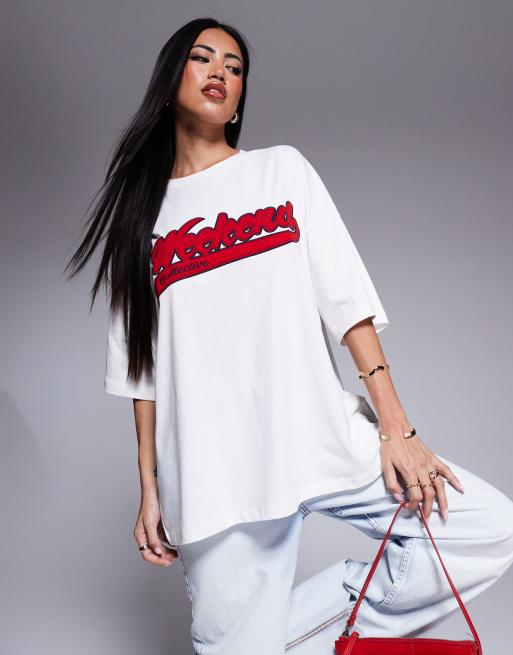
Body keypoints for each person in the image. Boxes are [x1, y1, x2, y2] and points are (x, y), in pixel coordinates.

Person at [65, 16, 513, 655]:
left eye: (235, 67)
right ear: (169, 81)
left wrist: (398, 429)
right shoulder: (141, 219)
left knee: (488, 528)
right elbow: (141, 368)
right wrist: (150, 487)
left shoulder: (281, 171)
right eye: (202, 58)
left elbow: (347, 303)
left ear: (239, 100)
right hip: (214, 471)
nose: (220, 73)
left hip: (316, 434)